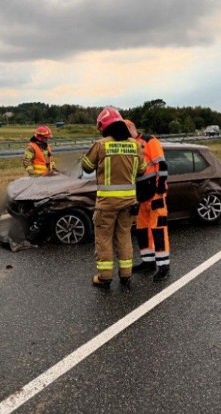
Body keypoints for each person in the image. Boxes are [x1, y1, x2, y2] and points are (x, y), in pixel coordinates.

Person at [81, 107, 146, 289]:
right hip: (128, 202)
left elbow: (86, 167)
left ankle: (104, 277)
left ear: (104, 127)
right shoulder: (134, 145)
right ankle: (126, 275)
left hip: (106, 204)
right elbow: (142, 169)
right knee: (124, 237)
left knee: (104, 239)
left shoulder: (101, 145)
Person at [125, 120, 171, 282]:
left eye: (126, 130)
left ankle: (164, 266)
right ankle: (148, 262)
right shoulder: (129, 145)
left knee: (158, 230)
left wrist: (159, 191)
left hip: (155, 195)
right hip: (141, 197)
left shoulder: (149, 141)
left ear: (132, 128)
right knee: (142, 231)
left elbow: (162, 165)